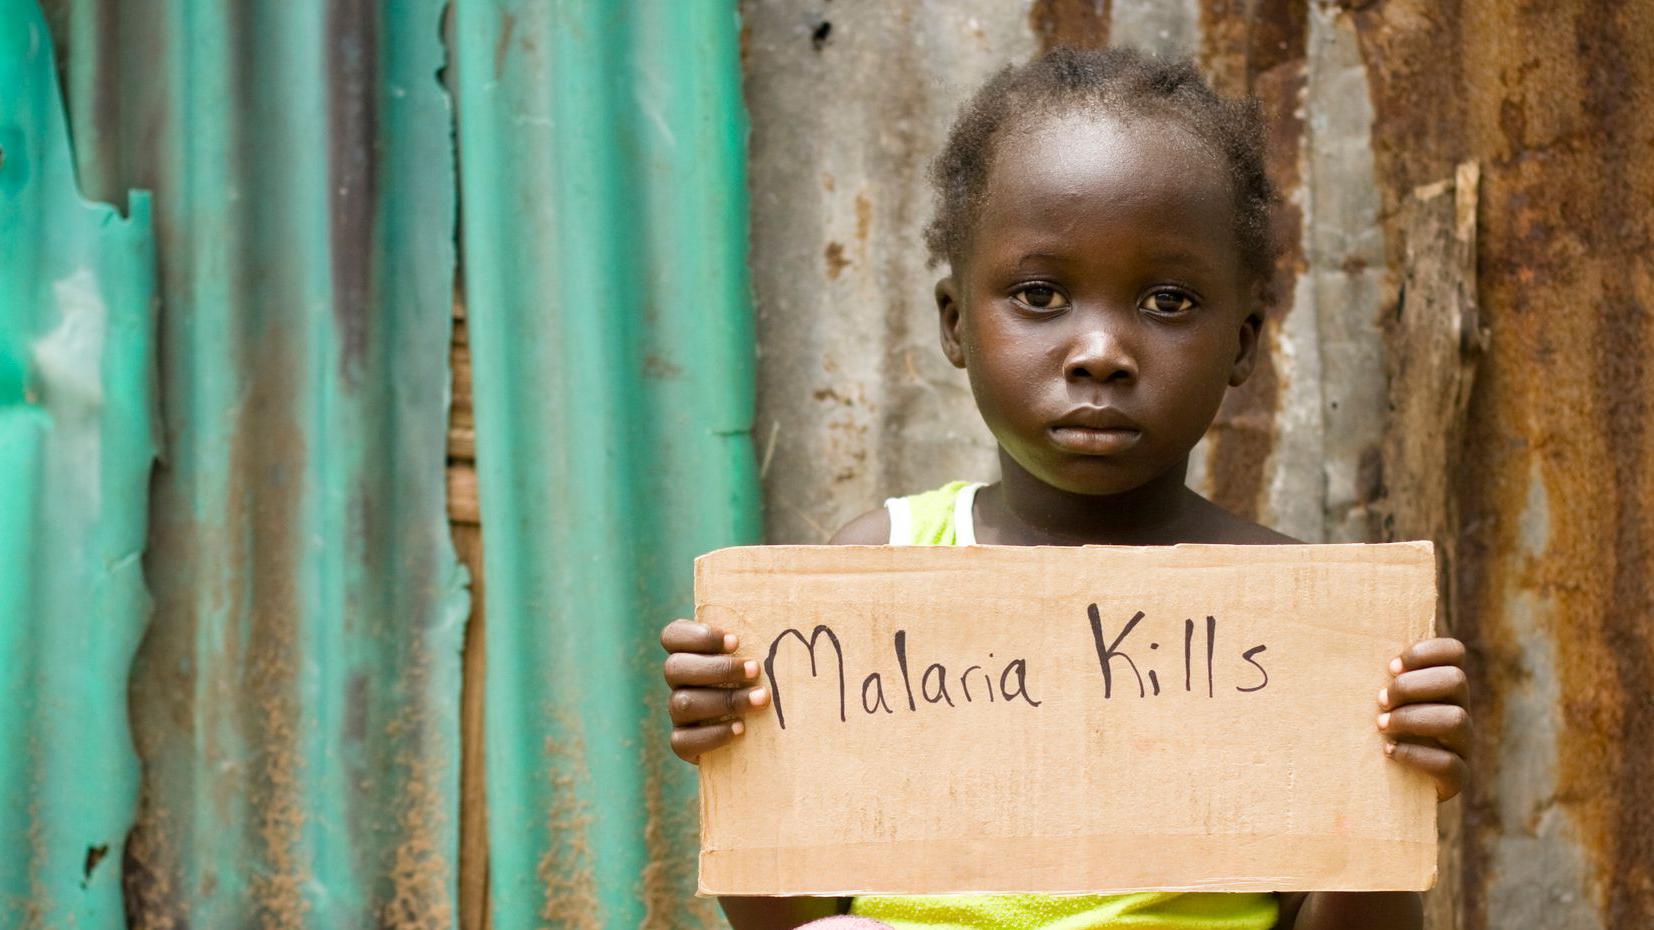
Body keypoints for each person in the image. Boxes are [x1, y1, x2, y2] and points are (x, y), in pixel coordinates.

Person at [660, 46, 1471, 930]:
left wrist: (1393, 792)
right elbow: (793, 920)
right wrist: (743, 756)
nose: (1100, 352)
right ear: (956, 323)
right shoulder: (876, 578)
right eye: (1041, 294)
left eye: (1166, 302)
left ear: (1243, 344)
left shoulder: (1300, 619)